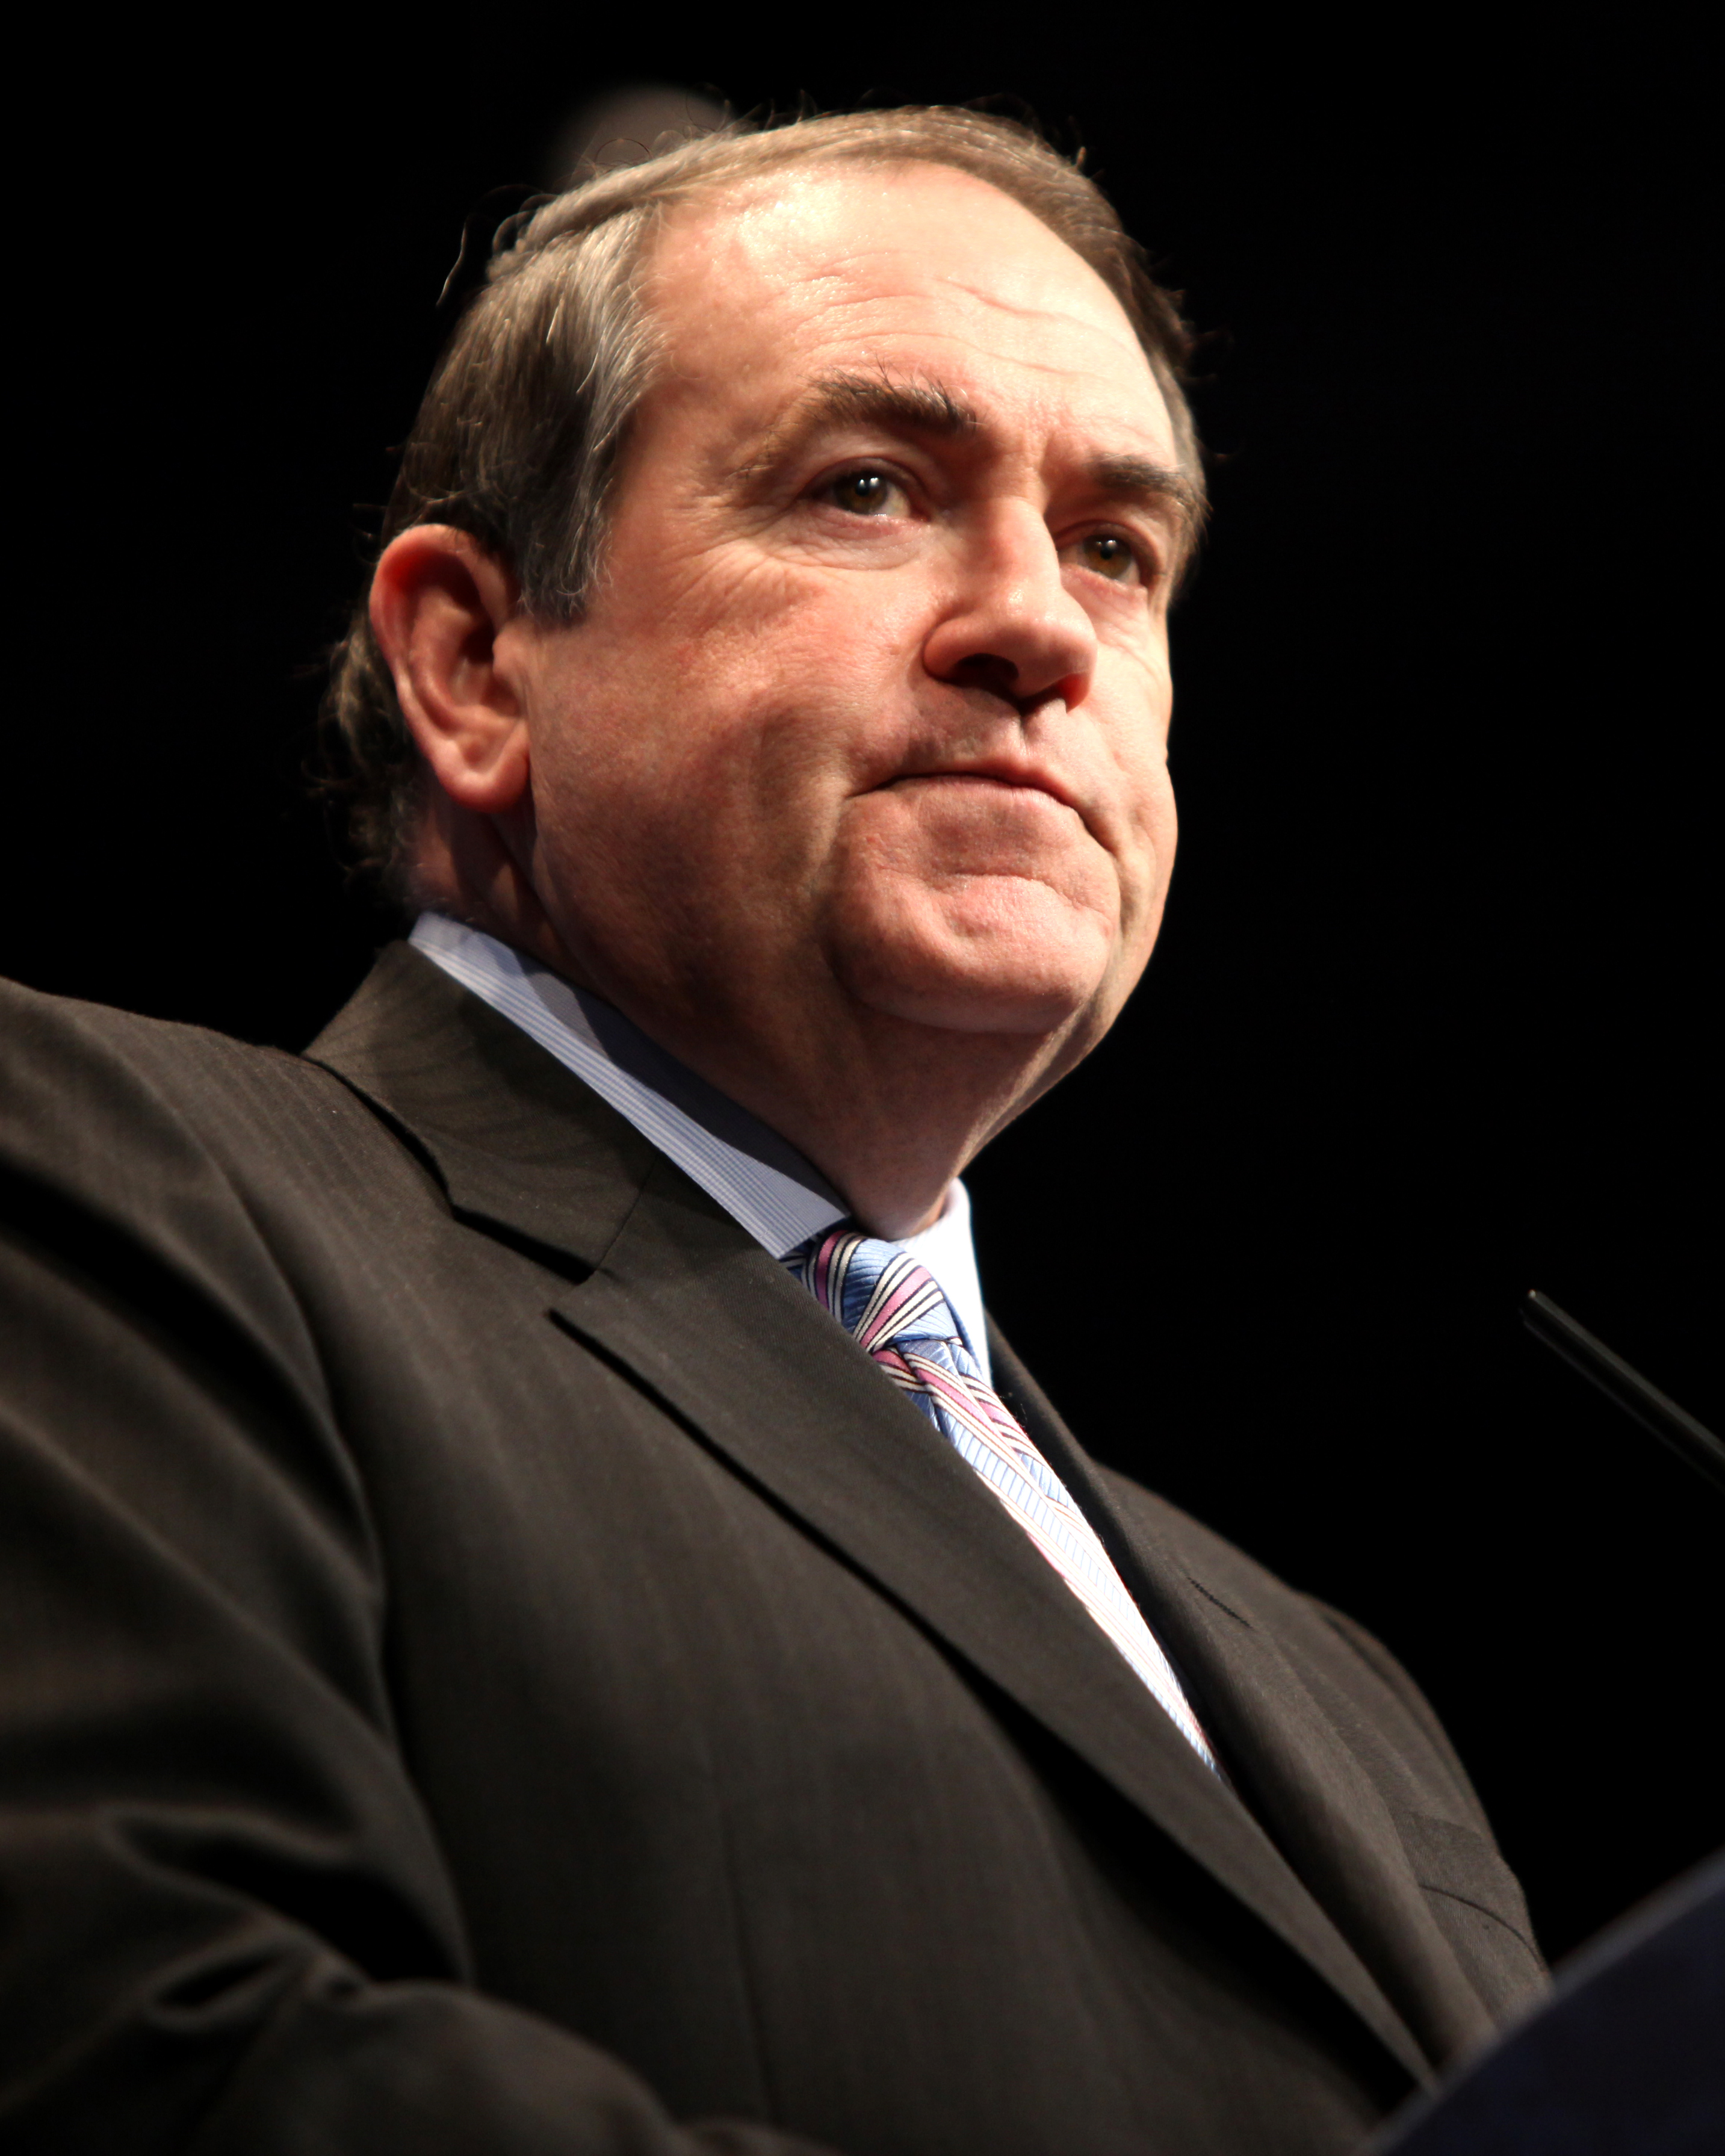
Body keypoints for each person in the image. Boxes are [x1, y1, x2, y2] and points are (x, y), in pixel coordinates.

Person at [0, 110, 1546, 2155]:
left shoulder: (1339, 1689)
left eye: (1116, 545)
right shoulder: (102, 1177)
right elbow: (154, 2045)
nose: (1040, 627)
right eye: (869, 489)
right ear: (474, 663)